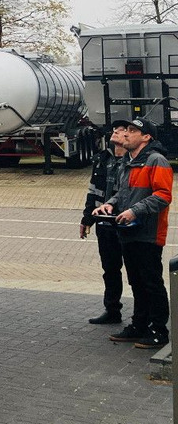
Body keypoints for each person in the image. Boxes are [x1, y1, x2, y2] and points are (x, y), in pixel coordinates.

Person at [94, 118, 173, 349]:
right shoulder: (128, 162)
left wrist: (134, 211)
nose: (126, 134)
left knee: (151, 283)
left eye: (132, 130)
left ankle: (159, 330)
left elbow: (163, 195)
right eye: (126, 130)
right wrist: (109, 204)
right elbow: (122, 193)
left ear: (146, 137)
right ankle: (139, 325)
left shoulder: (156, 160)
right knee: (136, 282)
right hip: (128, 233)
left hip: (148, 234)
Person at [80, 123, 129, 324]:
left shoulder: (134, 159)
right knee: (110, 270)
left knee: (137, 273)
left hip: (126, 224)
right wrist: (87, 218)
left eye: (121, 129)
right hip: (104, 225)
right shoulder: (102, 158)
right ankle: (112, 310)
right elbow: (93, 190)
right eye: (114, 129)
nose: (115, 132)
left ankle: (144, 316)